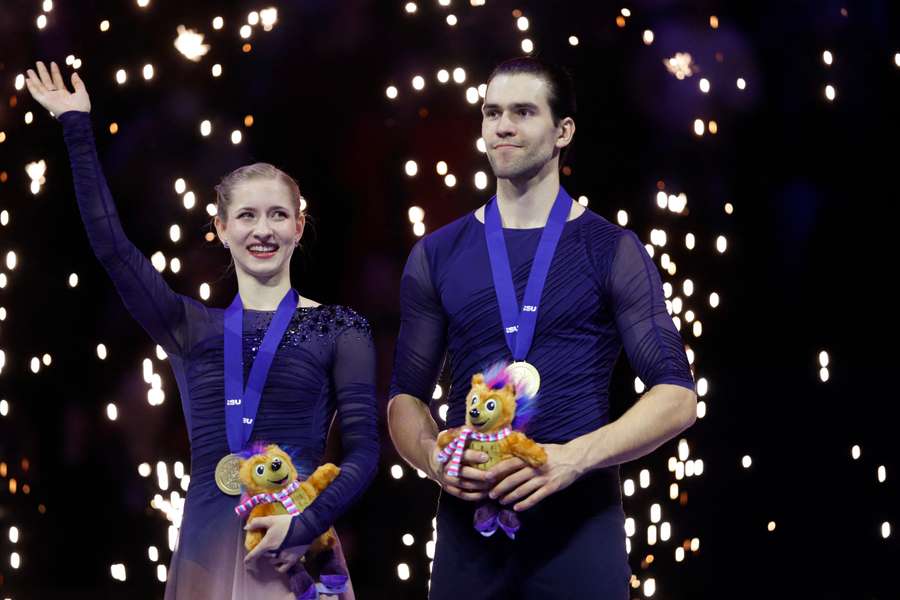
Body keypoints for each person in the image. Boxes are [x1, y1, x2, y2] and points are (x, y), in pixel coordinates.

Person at [25, 61, 378, 599]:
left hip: (301, 548)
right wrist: (76, 125)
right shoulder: (188, 325)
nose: (264, 230)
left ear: (300, 226)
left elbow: (362, 454)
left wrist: (304, 524)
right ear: (220, 227)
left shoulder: (339, 326)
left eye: (279, 216)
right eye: (248, 216)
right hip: (206, 549)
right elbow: (112, 249)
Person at [388, 57, 697, 599]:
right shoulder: (437, 254)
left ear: (563, 132)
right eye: (492, 112)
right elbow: (404, 400)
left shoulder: (610, 250)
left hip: (580, 530)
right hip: (469, 535)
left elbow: (677, 397)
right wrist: (435, 459)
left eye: (523, 112)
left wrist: (571, 459)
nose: (502, 126)